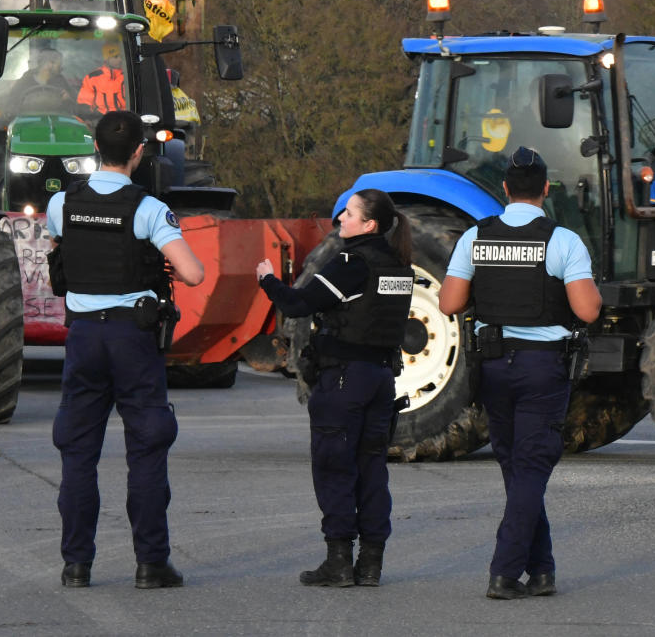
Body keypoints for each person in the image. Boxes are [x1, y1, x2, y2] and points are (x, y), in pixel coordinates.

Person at [47, 110, 205, 589]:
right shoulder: (148, 209)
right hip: (132, 340)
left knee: (77, 454)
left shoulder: (62, 203)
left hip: (83, 339)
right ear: (139, 151)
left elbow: (63, 252)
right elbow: (194, 273)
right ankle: (151, 564)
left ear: (96, 147)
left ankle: (77, 566)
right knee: (147, 450)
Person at [438, 146, 602, 600]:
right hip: (543, 367)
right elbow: (587, 311)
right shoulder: (563, 240)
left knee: (517, 468)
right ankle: (504, 571)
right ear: (546, 191)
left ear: (505, 190)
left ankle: (542, 569)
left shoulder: (476, 236)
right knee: (529, 468)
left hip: (493, 366)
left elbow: (449, 303)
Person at [256, 188, 414, 588]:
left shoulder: (351, 262)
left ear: (369, 224)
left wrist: (267, 281)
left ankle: (339, 561)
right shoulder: (398, 266)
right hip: (381, 379)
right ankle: (371, 564)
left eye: (349, 213)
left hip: (345, 379)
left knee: (334, 469)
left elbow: (297, 304)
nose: (340, 218)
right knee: (372, 470)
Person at [78, 42, 128, 114]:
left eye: (121, 56)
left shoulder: (127, 76)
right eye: (116, 56)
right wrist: (89, 119)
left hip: (125, 118)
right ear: (106, 59)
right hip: (100, 119)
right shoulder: (92, 78)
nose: (120, 59)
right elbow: (84, 103)